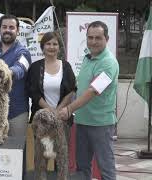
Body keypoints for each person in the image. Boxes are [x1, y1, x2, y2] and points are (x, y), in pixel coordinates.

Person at [59, 21, 119, 180]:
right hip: (83, 122)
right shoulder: (88, 57)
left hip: (101, 125)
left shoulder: (109, 63)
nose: (93, 41)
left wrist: (69, 109)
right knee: (82, 167)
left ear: (107, 38)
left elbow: (92, 91)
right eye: (90, 37)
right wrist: (63, 105)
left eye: (98, 38)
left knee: (106, 168)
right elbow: (79, 88)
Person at [0, 14, 32, 137]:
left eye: (11, 27)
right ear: (0, 29)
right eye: (4, 27)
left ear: (17, 31)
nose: (7, 30)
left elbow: (20, 69)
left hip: (17, 113)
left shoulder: (23, 52)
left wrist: (4, 72)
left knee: (18, 152)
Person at [27, 31, 76, 122]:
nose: (51, 47)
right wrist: (50, 110)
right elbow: (33, 92)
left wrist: (58, 111)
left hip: (62, 117)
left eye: (55, 44)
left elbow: (71, 90)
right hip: (40, 119)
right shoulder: (35, 67)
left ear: (59, 47)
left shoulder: (66, 66)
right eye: (48, 44)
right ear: (43, 47)